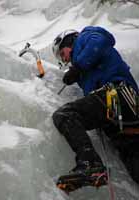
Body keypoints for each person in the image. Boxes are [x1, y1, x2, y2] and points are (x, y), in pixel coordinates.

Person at [52, 26, 139, 185]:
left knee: (65, 115)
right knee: (133, 161)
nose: (64, 60)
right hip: (125, 113)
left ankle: (90, 164)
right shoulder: (86, 72)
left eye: (62, 54)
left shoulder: (85, 38)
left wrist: (77, 68)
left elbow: (100, 41)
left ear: (69, 41)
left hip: (118, 94)